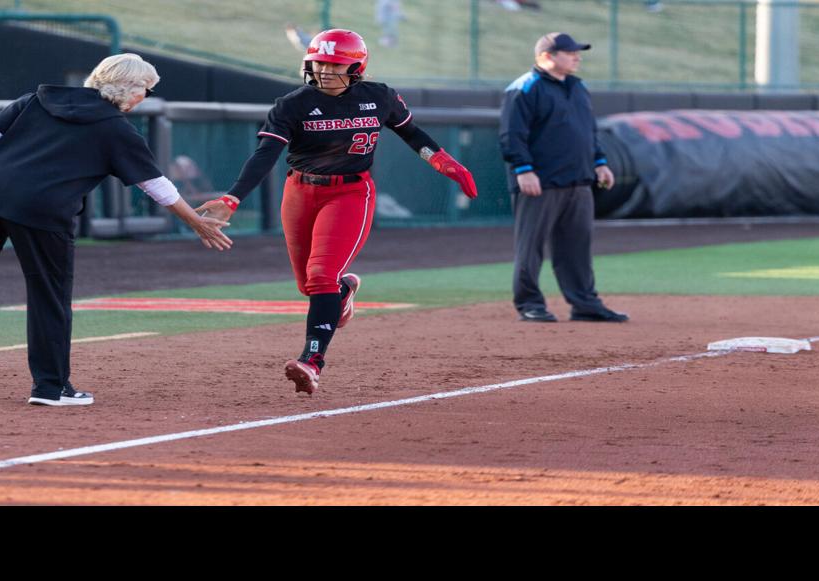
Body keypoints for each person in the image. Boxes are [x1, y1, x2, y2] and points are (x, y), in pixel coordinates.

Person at [0, 53, 233, 407]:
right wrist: (196, 222)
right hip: (42, 210)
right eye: (147, 91)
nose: (145, 99)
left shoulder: (38, 98)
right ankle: (51, 387)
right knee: (50, 293)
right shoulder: (116, 129)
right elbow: (156, 185)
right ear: (131, 87)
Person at [196, 28, 478, 396]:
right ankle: (343, 292)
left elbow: (413, 134)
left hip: (350, 192)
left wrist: (442, 161)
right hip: (299, 190)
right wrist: (233, 199)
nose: (325, 71)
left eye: (334, 64)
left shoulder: (380, 97)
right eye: (319, 63)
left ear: (357, 67)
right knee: (310, 285)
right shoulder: (292, 104)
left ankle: (312, 361)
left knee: (320, 276)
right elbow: (265, 155)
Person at [500, 33, 626, 322]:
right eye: (569, 52)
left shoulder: (578, 87)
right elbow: (511, 135)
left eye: (577, 52)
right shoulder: (524, 88)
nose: (576, 56)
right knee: (530, 247)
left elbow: (588, 130)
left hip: (579, 180)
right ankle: (530, 303)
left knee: (577, 246)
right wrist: (523, 170)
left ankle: (585, 303)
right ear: (547, 56)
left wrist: (600, 163)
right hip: (540, 182)